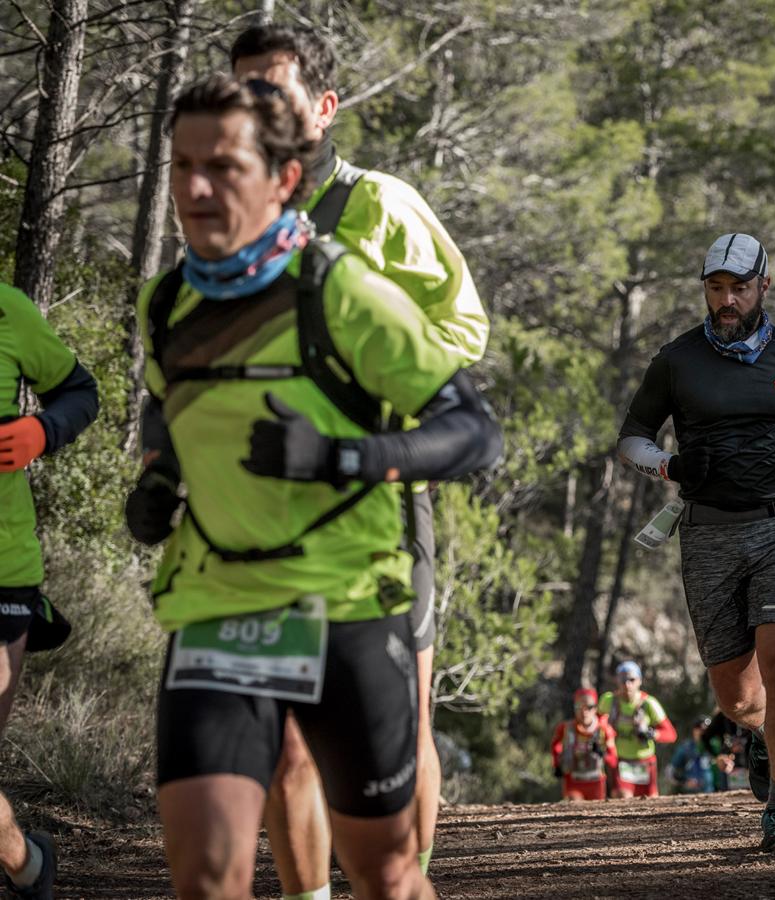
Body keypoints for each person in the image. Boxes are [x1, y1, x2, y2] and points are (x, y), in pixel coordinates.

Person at [123, 24, 491, 900]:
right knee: (207, 875)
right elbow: (169, 396)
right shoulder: (169, 300)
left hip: (360, 554)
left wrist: (348, 442)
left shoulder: (365, 236)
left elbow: (466, 382)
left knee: (390, 865)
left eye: (226, 166)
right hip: (218, 599)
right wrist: (159, 478)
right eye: (183, 168)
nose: (200, 189)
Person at [617, 233, 775, 850]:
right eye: (715, 288)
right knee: (735, 696)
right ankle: (757, 733)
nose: (727, 301)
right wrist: (668, 467)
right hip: (708, 532)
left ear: (764, 286)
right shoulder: (676, 361)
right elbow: (632, 440)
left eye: (738, 288)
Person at [0, 284, 99, 899]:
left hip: (2, 569)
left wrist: (42, 431)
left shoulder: (8, 309)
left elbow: (79, 392)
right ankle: (25, 864)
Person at [597, 661, 676, 798]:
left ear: (639, 681)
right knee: (622, 797)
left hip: (645, 763)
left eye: (631, 680)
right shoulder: (608, 701)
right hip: (621, 762)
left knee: (650, 802)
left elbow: (671, 734)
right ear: (617, 680)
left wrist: (652, 733)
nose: (627, 684)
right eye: (623, 680)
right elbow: (595, 723)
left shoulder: (649, 703)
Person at [550, 688, 617, 801]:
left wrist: (602, 753)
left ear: (595, 708)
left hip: (596, 783)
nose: (584, 712)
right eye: (579, 707)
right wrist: (558, 764)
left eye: (589, 707)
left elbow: (613, 760)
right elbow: (555, 746)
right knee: (575, 805)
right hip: (573, 782)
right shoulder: (565, 728)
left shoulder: (604, 730)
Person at [701, 710, 752, 793]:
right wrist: (717, 756)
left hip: (750, 766)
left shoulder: (753, 713)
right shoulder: (721, 716)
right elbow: (705, 737)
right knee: (727, 796)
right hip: (728, 767)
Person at [668, 716, 715, 794]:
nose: (702, 732)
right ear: (694, 730)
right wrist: (684, 781)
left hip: (712, 793)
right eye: (699, 728)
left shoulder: (715, 747)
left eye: (706, 729)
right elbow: (671, 770)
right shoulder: (686, 748)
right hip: (690, 794)